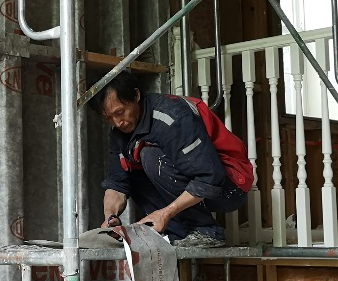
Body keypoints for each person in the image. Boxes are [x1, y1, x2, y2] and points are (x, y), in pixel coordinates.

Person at [96, 72, 253, 247]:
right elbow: (117, 183)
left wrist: (165, 213)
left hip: (230, 184)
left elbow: (210, 177)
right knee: (133, 172)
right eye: (109, 118)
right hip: (202, 181)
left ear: (136, 95)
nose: (118, 122)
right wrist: (110, 217)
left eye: (120, 112)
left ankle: (206, 231)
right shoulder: (119, 133)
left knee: (150, 157)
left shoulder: (171, 117)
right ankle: (177, 234)